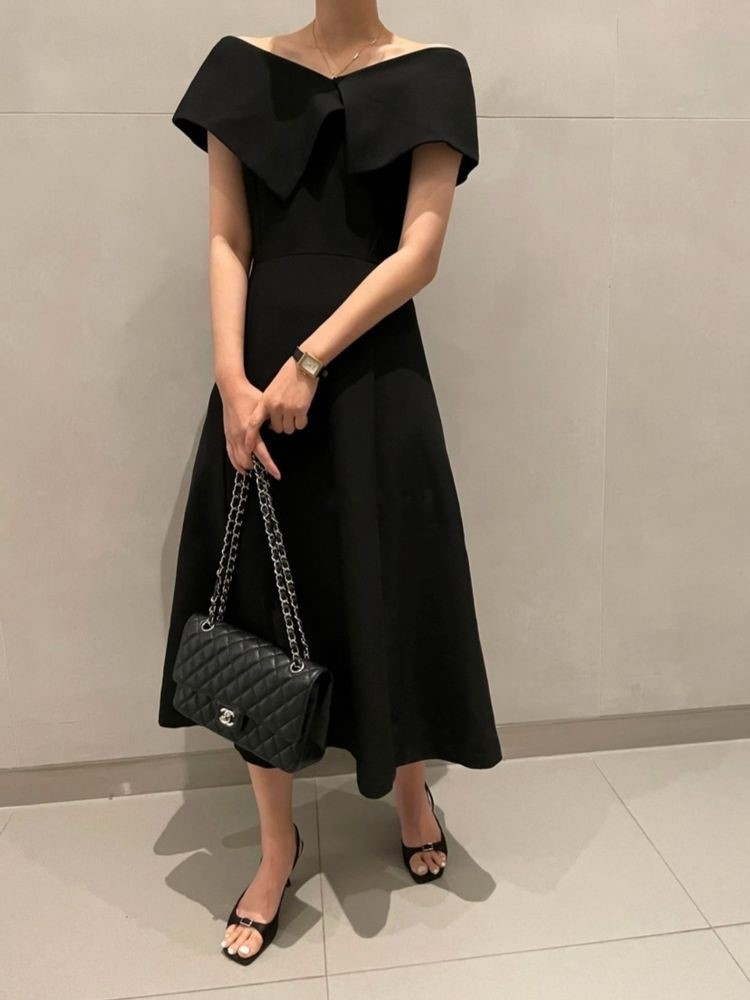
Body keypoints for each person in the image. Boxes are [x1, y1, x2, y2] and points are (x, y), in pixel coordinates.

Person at [158, 0, 503, 967]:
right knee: (263, 607)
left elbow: (419, 252)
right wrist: (233, 378)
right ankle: (278, 848)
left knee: (389, 580)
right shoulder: (240, 67)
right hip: (253, 382)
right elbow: (228, 237)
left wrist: (309, 360)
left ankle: (409, 787)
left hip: (372, 380)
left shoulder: (435, 71)